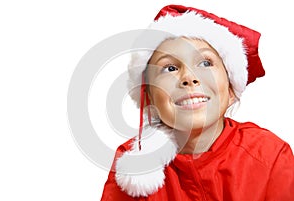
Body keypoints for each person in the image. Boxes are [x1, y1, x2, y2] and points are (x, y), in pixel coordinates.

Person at [100, 4, 294, 201]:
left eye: (206, 63)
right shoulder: (132, 165)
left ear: (231, 89)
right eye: (169, 68)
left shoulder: (269, 154)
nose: (189, 77)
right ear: (149, 97)